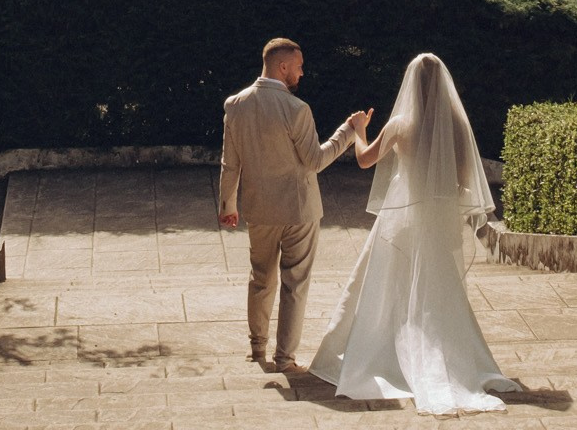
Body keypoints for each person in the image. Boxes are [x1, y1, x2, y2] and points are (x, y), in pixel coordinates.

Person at [309, 53, 521, 415]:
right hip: (436, 221)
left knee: (387, 288)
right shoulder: (457, 125)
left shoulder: (400, 124)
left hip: (402, 219)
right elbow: (462, 179)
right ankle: (449, 362)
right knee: (437, 292)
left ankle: (389, 355)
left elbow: (364, 159)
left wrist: (359, 130)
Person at [218, 37, 372, 372]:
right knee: (295, 284)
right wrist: (348, 131)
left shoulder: (235, 105)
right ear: (282, 66)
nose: (302, 73)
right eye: (299, 67)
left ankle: (257, 349)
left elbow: (230, 162)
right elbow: (315, 161)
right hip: (299, 210)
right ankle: (285, 359)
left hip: (259, 209)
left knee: (261, 279)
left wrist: (228, 204)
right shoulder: (297, 109)